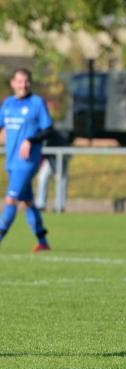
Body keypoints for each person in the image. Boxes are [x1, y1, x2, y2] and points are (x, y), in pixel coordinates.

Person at [0, 68, 53, 252]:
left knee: (10, 200)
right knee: (27, 201)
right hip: (11, 162)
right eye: (19, 81)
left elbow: (48, 129)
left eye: (26, 81)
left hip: (27, 161)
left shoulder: (36, 103)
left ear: (29, 83)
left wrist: (31, 140)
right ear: (13, 83)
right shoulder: (7, 104)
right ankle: (42, 240)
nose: (23, 85)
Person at [35, 129, 72, 212]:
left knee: (61, 180)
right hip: (49, 156)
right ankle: (40, 204)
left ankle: (60, 206)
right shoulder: (44, 126)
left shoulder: (61, 128)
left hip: (62, 154)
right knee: (42, 178)